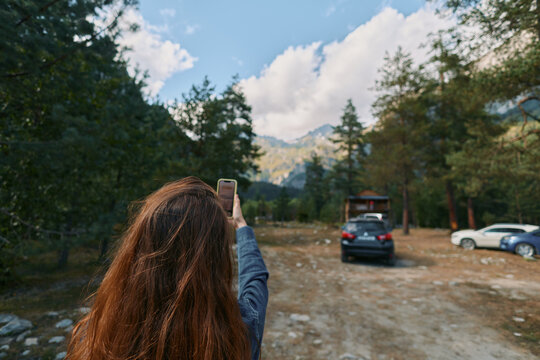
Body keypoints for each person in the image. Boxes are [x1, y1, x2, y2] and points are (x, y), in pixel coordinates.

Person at [67, 176, 269, 360]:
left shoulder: (104, 328)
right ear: (216, 258)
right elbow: (255, 279)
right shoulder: (241, 331)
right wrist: (242, 227)